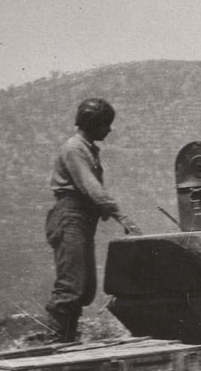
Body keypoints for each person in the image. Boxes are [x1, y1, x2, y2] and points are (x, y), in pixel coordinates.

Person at [43, 98, 141, 343]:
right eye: (105, 124)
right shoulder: (75, 148)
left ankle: (66, 338)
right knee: (71, 285)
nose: (109, 129)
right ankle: (56, 341)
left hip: (82, 218)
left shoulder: (86, 148)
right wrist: (123, 218)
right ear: (93, 124)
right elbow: (92, 188)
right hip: (71, 216)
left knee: (84, 287)